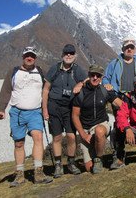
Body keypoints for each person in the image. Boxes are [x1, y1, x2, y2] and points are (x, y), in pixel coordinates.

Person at [0, 46, 53, 187]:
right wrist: (1, 108)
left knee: (38, 138)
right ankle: (20, 174)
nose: (29, 58)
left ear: (35, 58)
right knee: (19, 143)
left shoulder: (40, 72)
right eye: (27, 55)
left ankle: (38, 172)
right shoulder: (14, 72)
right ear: (23, 57)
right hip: (17, 112)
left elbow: (49, 87)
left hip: (35, 112)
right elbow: (6, 90)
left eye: (32, 56)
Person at [42, 44, 87, 178]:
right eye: (66, 53)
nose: (68, 55)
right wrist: (44, 109)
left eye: (71, 53)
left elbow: (87, 80)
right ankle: (58, 165)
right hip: (54, 107)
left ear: (75, 56)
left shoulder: (77, 70)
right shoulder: (54, 69)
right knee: (56, 137)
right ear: (62, 55)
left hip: (70, 108)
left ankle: (71, 163)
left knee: (72, 136)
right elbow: (46, 89)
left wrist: (80, 83)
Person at [102, 37, 136, 169]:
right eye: (127, 47)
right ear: (122, 49)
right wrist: (108, 87)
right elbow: (105, 78)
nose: (129, 49)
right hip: (120, 97)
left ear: (134, 49)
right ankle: (119, 156)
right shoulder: (115, 63)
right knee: (119, 125)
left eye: (131, 47)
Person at [72, 64, 122, 174]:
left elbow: (121, 105)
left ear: (101, 78)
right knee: (88, 168)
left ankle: (99, 159)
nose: (95, 78)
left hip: (101, 124)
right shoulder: (80, 93)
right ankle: (95, 154)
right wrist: (83, 135)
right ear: (88, 76)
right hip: (86, 130)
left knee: (99, 131)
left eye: (98, 75)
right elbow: (75, 116)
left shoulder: (105, 91)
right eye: (92, 75)